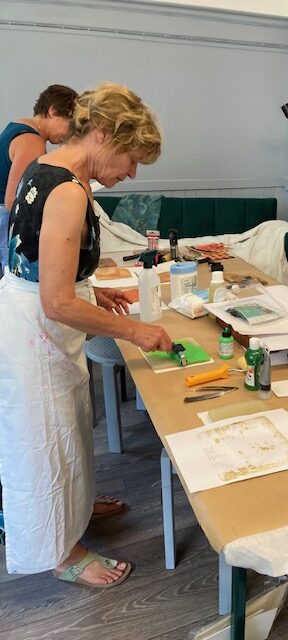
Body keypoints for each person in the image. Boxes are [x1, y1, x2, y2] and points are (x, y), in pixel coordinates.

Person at [0, 82, 172, 587]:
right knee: (47, 442)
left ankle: (74, 510)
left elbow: (40, 262)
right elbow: (55, 300)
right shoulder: (68, 191)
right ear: (102, 134)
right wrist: (134, 330)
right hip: (36, 332)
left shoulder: (47, 167)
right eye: (131, 157)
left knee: (70, 429)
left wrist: (91, 292)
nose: (132, 172)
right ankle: (62, 552)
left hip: (37, 322)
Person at [0, 84, 78, 275]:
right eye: (70, 123)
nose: (70, 134)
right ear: (52, 111)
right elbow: (14, 201)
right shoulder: (31, 141)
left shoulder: (16, 127)